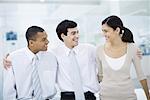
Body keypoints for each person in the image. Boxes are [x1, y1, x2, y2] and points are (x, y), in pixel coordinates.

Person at [96, 15, 150, 100]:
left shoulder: (132, 48)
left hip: (128, 96)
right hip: (106, 96)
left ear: (117, 30)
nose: (104, 34)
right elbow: (100, 76)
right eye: (103, 31)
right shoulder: (99, 50)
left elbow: (141, 76)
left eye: (106, 31)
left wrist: (148, 96)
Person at [3, 26, 58, 100]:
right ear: (31, 42)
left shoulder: (51, 57)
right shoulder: (13, 58)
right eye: (43, 39)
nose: (47, 42)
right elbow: (8, 91)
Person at [53, 19, 100, 100]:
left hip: (89, 96)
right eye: (73, 33)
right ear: (63, 36)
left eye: (77, 32)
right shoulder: (54, 53)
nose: (77, 36)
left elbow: (103, 63)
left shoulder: (90, 49)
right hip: (67, 97)